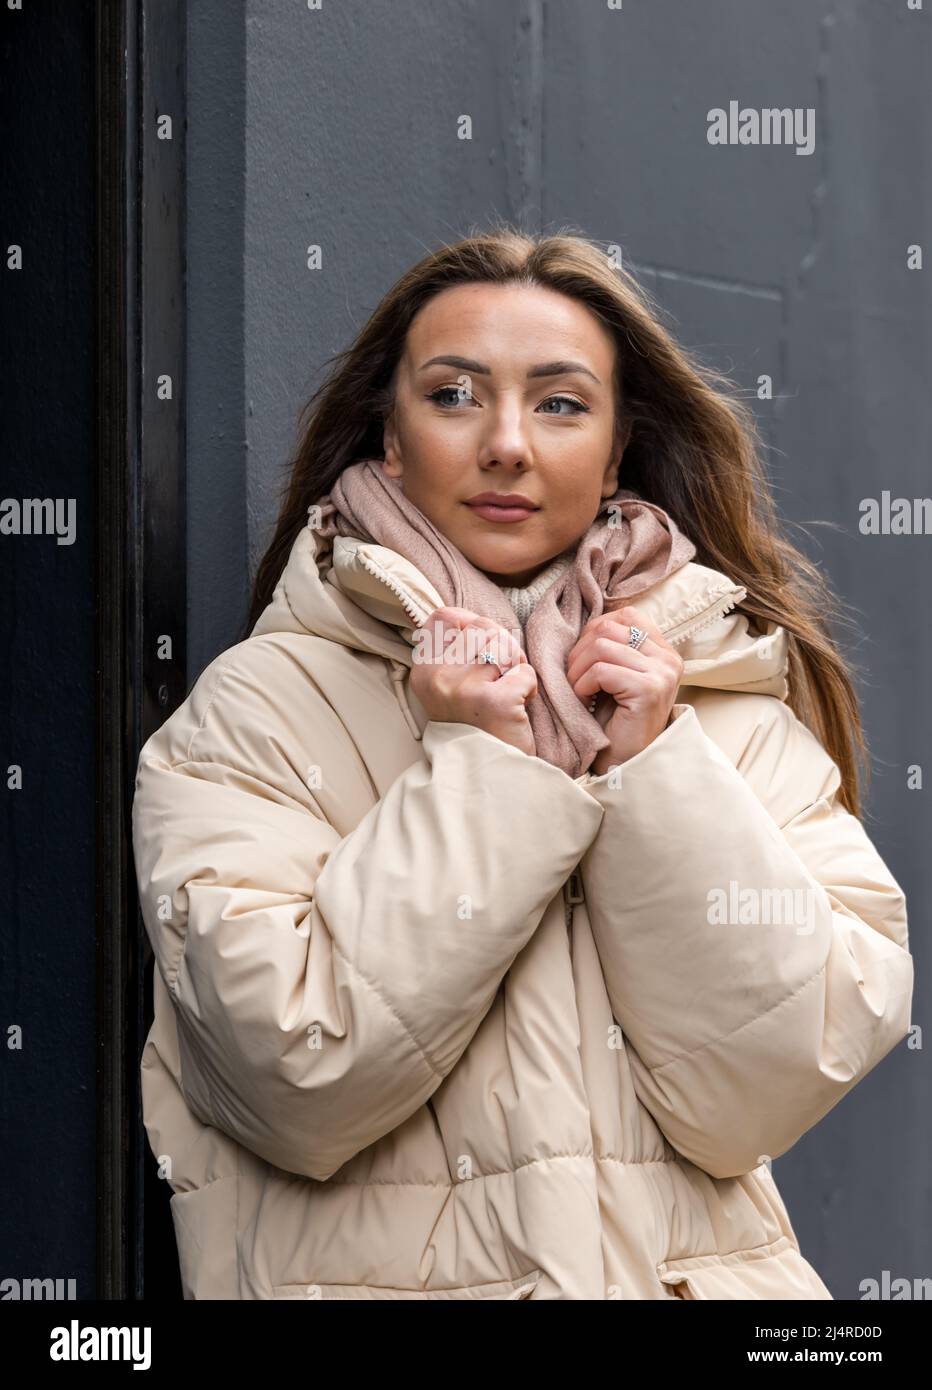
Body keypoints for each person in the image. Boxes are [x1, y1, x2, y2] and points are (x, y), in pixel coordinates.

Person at [132, 226, 913, 1300]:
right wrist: (479, 772)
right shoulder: (260, 711)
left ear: (615, 447)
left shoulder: (716, 702)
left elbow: (773, 1078)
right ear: (389, 436)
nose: (505, 443)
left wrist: (656, 771)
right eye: (452, 394)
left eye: (558, 403)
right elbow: (293, 1073)